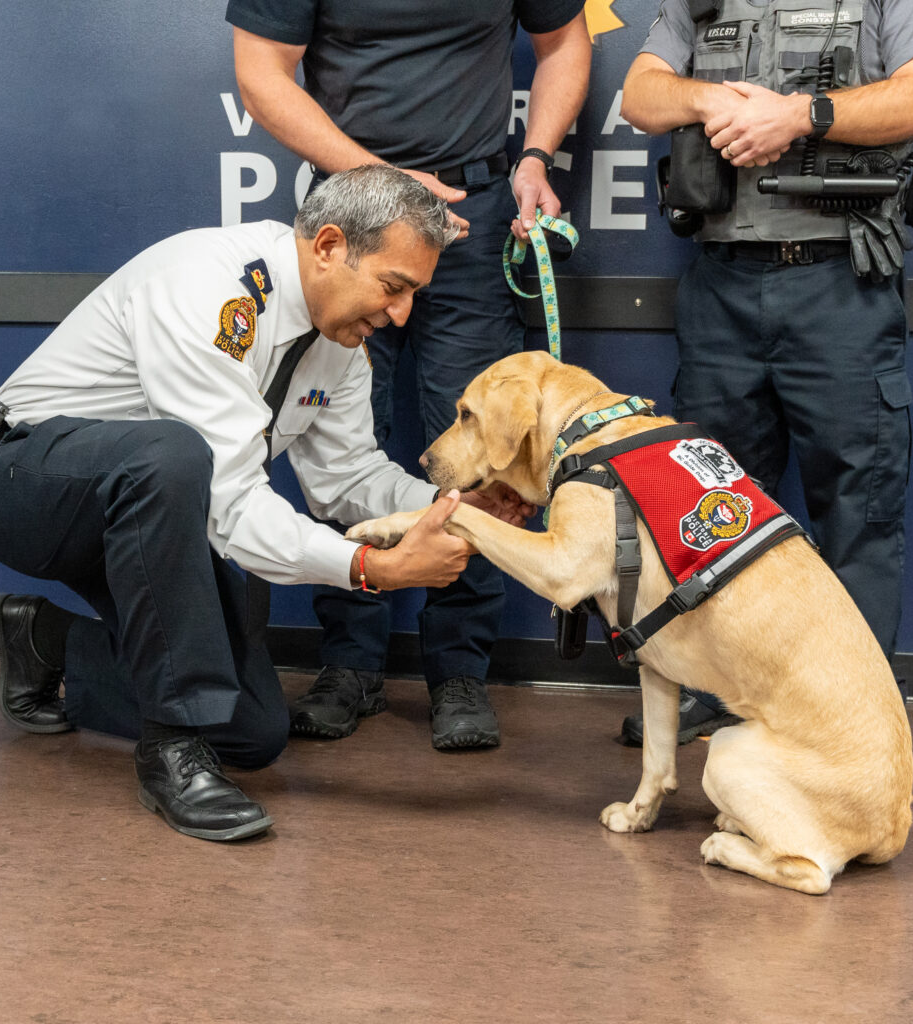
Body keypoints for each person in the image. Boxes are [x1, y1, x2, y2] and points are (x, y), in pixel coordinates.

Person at [0, 166, 533, 842]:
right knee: (171, 454)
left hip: (140, 513)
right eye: (393, 287)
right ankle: (170, 756)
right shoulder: (210, 286)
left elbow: (348, 477)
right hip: (17, 481)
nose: (401, 314)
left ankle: (45, 643)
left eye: (414, 294)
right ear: (328, 247)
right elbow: (228, 505)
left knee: (252, 728)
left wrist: (455, 508)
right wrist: (373, 569)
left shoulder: (342, 346)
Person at [225, 0, 591, 750]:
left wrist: (536, 156)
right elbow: (261, 75)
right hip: (354, 211)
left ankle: (459, 669)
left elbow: (564, 42)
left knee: (480, 452)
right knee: (341, 444)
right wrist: (379, 177)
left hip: (476, 212)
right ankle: (350, 663)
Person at [618, 0, 913, 744]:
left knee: (857, 510)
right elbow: (640, 94)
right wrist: (711, 98)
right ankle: (718, 692)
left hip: (838, 285)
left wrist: (800, 116)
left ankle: (850, 718)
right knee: (713, 508)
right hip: (722, 286)